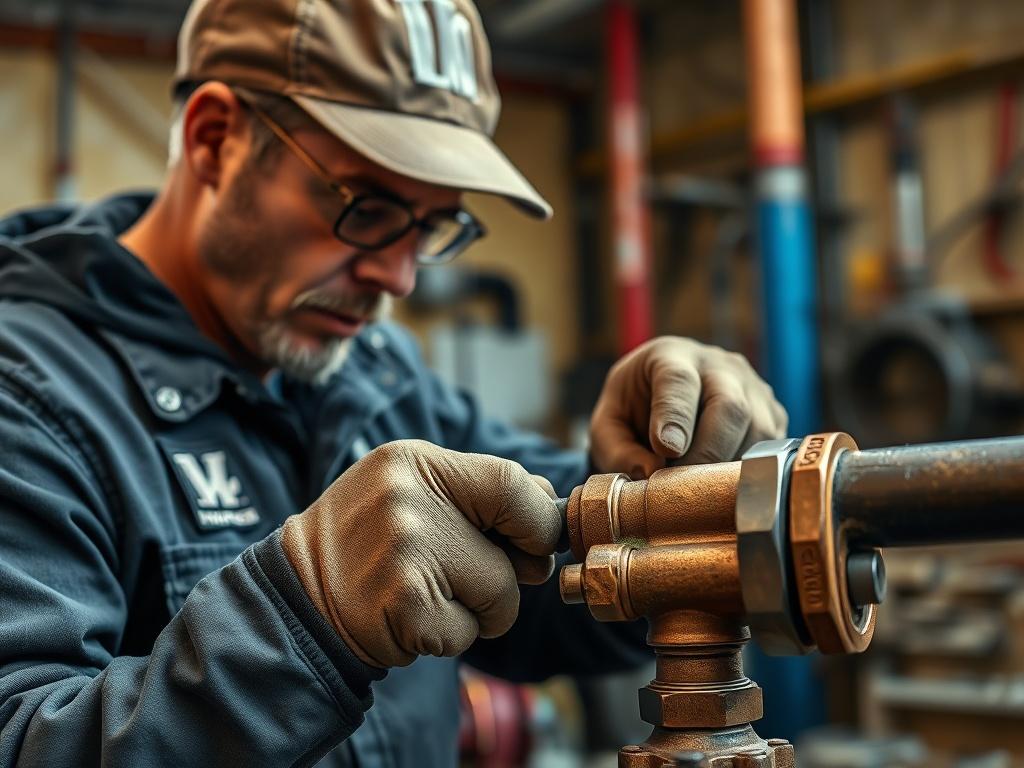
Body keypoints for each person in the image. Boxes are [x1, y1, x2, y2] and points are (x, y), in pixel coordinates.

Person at [0, 0, 787, 765]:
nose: (400, 277)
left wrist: (667, 491)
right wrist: (306, 617)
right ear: (215, 140)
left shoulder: (374, 372)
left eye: (433, 224)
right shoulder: (27, 395)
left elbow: (553, 586)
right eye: (367, 208)